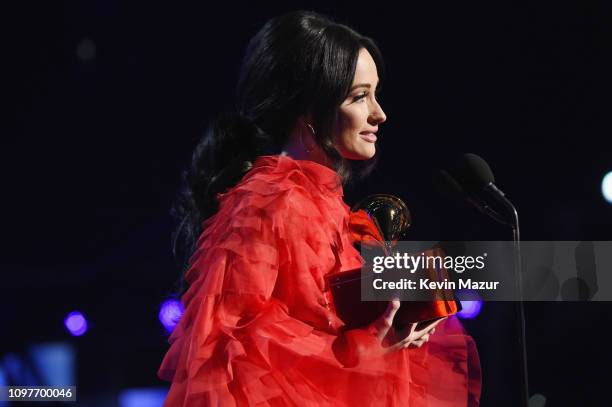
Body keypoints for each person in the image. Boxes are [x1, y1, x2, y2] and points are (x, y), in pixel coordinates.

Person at [158, 10, 481, 406]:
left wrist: (394, 332)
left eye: (375, 94)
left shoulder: (327, 204)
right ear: (310, 108)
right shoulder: (268, 202)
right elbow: (235, 356)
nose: (380, 114)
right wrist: (372, 346)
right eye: (360, 96)